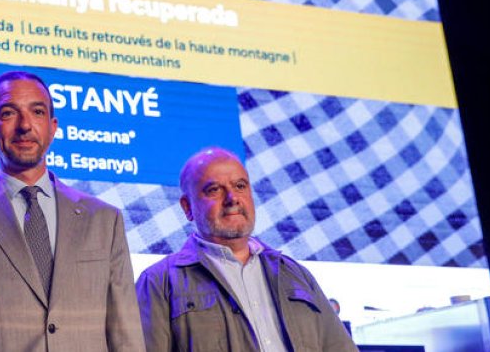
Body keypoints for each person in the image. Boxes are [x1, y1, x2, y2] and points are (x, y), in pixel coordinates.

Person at [0, 70, 145, 352]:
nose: (25, 125)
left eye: (37, 112)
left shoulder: (104, 220)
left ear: (53, 127)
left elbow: (127, 341)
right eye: (8, 113)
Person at [135, 147, 356, 352]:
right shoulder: (158, 283)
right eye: (214, 190)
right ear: (188, 207)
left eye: (240, 186)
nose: (232, 199)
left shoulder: (294, 274)